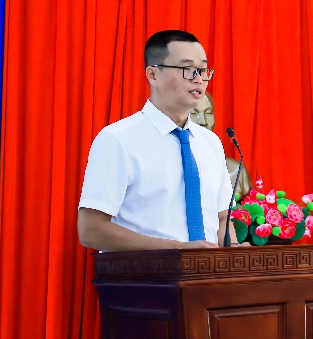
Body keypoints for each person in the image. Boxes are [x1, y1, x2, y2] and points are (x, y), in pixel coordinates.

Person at [77, 30, 244, 251]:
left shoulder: (211, 142)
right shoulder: (117, 139)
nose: (199, 79)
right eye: (188, 69)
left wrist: (233, 249)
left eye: (203, 70)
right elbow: (91, 230)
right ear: (153, 74)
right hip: (145, 272)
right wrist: (176, 249)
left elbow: (222, 218)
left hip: (208, 272)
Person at [190, 91, 253, 200]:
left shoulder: (236, 172)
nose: (203, 121)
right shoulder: (169, 170)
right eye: (193, 114)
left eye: (208, 113)